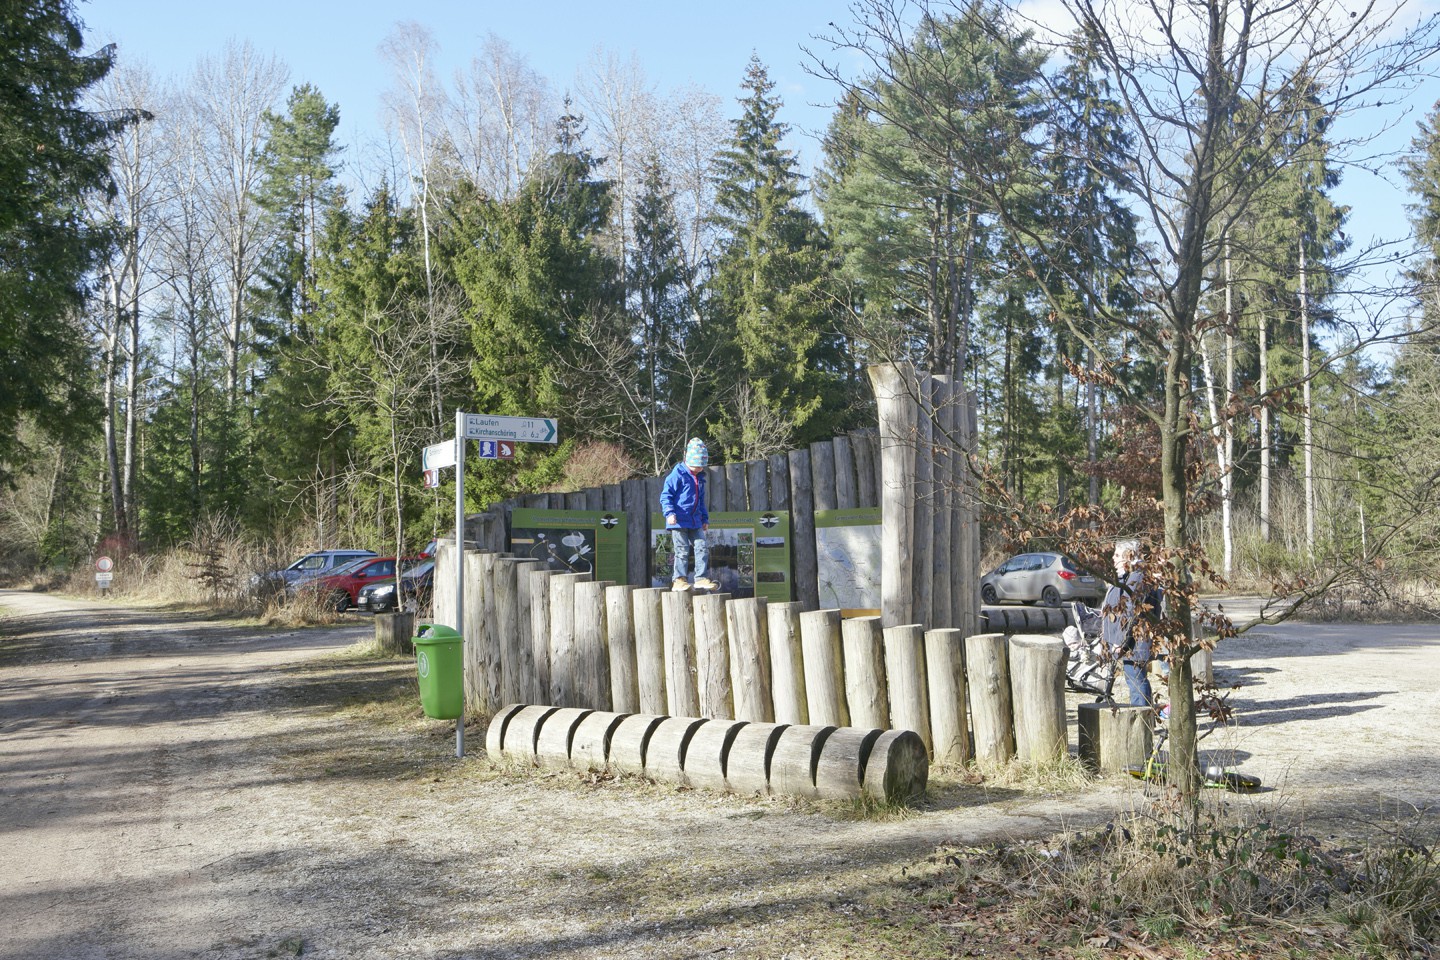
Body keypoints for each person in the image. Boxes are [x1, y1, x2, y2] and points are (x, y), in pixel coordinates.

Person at [1100, 539, 1161, 707]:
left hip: (1134, 644)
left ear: (1129, 556)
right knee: (1135, 680)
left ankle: (1142, 720)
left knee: (1137, 682)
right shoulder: (1129, 577)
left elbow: (1130, 614)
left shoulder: (1137, 578)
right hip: (1131, 644)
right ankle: (1144, 718)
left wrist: (1121, 643)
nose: (1113, 558)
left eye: (1118, 555)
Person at [660, 438, 719, 592]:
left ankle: (700, 578)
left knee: (702, 547)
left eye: (701, 466)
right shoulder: (677, 475)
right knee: (682, 549)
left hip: (695, 521)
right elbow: (666, 496)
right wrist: (669, 513)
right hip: (678, 521)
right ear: (687, 460)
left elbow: (700, 501)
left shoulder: (700, 478)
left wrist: (704, 519)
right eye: (696, 466)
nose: (699, 469)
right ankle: (679, 580)